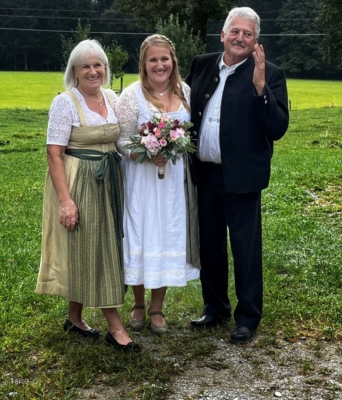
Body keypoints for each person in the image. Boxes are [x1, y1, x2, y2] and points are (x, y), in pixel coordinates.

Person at [186, 7, 289, 344]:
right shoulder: (202, 65)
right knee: (210, 245)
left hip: (243, 178)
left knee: (245, 249)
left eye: (248, 34)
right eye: (235, 31)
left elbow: (277, 128)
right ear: (223, 35)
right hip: (205, 174)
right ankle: (215, 308)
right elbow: (178, 105)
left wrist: (260, 88)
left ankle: (247, 317)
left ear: (256, 41)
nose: (240, 38)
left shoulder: (270, 73)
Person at [36, 39, 140, 352]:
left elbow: (122, 140)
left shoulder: (111, 98)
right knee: (95, 248)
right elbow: (54, 154)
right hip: (79, 181)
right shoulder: (65, 102)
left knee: (94, 246)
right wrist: (66, 201)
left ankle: (74, 317)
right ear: (75, 71)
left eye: (98, 65)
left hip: (109, 180)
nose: (93, 71)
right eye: (86, 66)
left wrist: (151, 149)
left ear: (105, 69)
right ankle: (115, 327)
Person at [115, 34, 200, 334]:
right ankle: (138, 303)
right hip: (141, 179)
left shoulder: (185, 91)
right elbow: (121, 139)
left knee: (167, 235)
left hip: (174, 181)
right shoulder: (132, 95)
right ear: (144, 63)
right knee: (141, 234)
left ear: (172, 61)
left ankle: (157, 307)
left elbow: (191, 132)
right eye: (153, 59)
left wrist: (174, 146)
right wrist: (145, 152)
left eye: (164, 59)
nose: (159, 65)